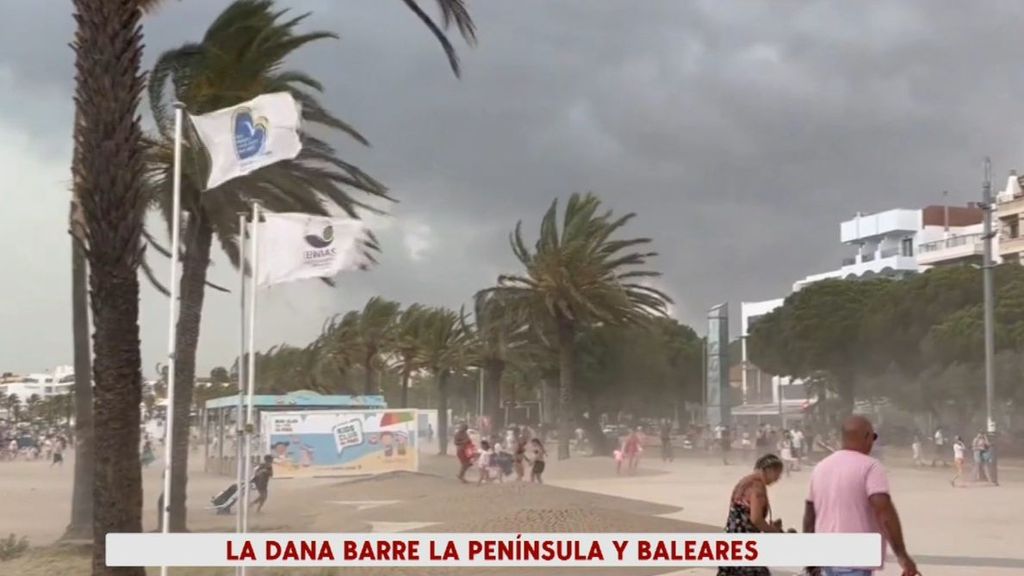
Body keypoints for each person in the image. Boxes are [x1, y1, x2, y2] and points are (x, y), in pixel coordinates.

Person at [803, 416, 918, 576]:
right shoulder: (871, 466)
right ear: (866, 436)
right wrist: (902, 555)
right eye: (873, 437)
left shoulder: (820, 468)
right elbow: (884, 512)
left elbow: (810, 516)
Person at [717, 454, 786, 576]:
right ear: (768, 470)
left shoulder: (744, 482)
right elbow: (756, 519)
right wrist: (773, 531)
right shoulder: (757, 487)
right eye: (777, 474)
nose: (778, 478)